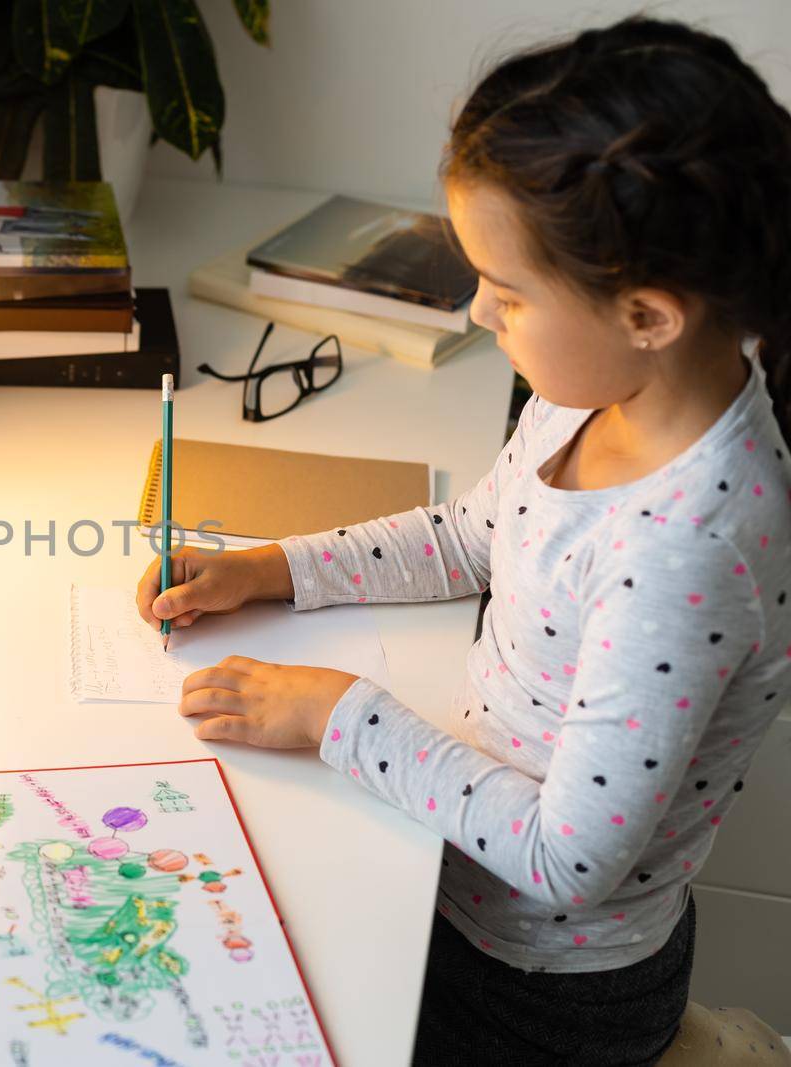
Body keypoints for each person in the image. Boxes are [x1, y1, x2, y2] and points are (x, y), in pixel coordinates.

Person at [137, 15, 791, 1065]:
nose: (479, 309)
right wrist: (269, 568)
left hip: (539, 985)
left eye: (509, 289)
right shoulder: (591, 394)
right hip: (457, 883)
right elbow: (472, 532)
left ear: (648, 314)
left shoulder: (688, 552)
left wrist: (332, 711)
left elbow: (566, 854)